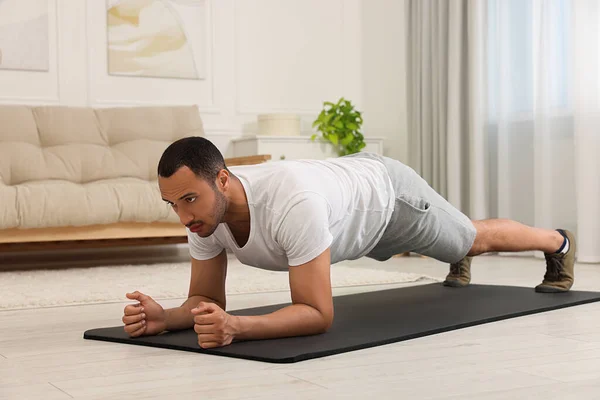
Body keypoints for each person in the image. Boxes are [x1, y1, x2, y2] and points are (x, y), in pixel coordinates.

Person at [122, 137, 576, 348]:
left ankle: (556, 243)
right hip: (346, 206)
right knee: (458, 240)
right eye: (172, 204)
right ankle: (455, 255)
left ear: (222, 179)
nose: (183, 217)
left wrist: (238, 326)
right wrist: (168, 317)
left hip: (388, 199)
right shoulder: (203, 214)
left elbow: (319, 315)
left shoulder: (289, 201)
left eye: (189, 200)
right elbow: (204, 298)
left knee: (469, 239)